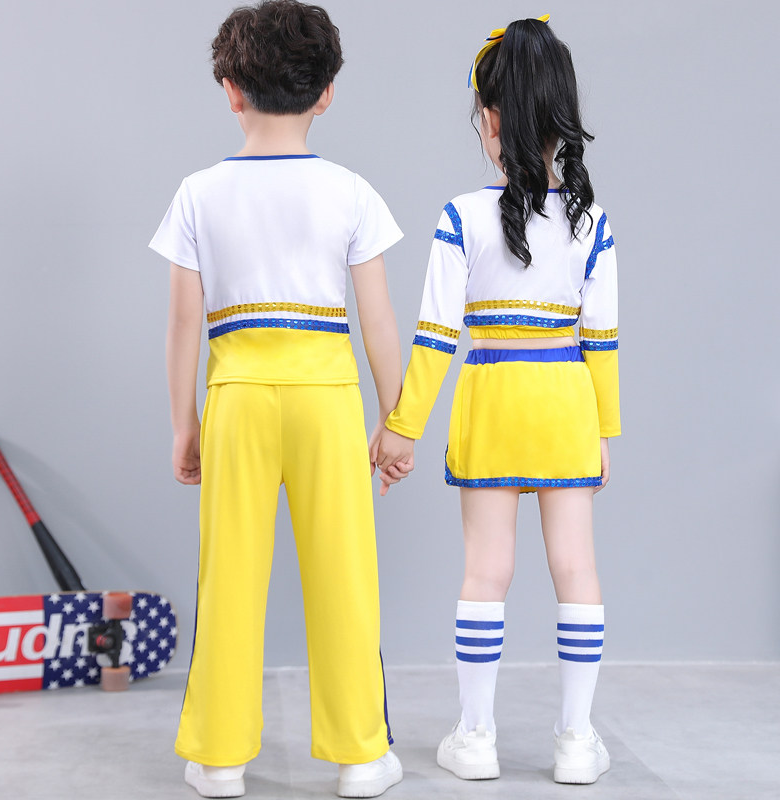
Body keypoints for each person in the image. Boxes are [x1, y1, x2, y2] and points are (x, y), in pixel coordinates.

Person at [148, 2, 405, 797]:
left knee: (228, 575)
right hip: (328, 400)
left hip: (238, 400)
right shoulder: (352, 192)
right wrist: (395, 421)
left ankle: (220, 759)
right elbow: (378, 321)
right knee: (344, 575)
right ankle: (360, 757)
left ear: (231, 90)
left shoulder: (197, 194)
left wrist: (185, 425)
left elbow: (183, 324)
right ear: (326, 93)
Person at [375, 14, 619, 786]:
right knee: (576, 570)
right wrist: (604, 432)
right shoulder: (592, 223)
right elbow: (603, 340)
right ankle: (576, 740)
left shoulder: (460, 217)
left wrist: (402, 428)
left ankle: (475, 737)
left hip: (489, 407)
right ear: (562, 118)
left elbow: (435, 337)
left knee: (486, 572)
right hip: (567, 409)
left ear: (489, 119)